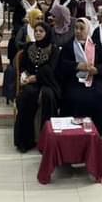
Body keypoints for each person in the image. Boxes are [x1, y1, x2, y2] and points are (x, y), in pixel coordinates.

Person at [57, 18, 102, 134]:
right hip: (74, 79)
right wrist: (76, 65)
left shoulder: (95, 44)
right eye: (76, 28)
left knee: (101, 95)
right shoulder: (69, 45)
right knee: (74, 97)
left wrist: (97, 69)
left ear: (88, 30)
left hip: (94, 79)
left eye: (81, 28)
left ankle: (97, 132)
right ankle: (74, 131)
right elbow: (61, 65)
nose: (78, 31)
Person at [14, 21, 60, 152]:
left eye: (41, 31)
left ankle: (46, 142)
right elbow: (23, 66)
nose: (38, 33)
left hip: (47, 82)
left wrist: (37, 77)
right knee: (26, 96)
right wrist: (24, 76)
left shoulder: (54, 50)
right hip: (30, 82)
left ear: (47, 33)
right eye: (36, 31)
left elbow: (52, 70)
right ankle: (25, 141)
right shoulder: (29, 47)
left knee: (48, 96)